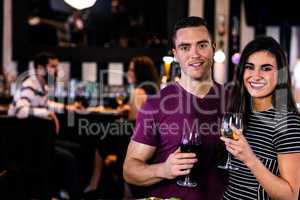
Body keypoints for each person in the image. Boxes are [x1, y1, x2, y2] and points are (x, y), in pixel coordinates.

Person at [123, 16, 228, 199]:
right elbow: (129, 170)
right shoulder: (156, 104)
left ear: (213, 48)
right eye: (185, 47)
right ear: (175, 55)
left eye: (202, 45)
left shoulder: (233, 99)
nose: (195, 54)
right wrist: (163, 169)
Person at [222, 36, 300, 199]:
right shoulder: (242, 114)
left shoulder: (286, 122)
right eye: (250, 67)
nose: (255, 76)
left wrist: (250, 159)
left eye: (266, 68)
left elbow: (291, 195)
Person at [122, 55, 160, 120]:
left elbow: (133, 121)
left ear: (141, 73)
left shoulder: (138, 92)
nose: (128, 73)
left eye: (132, 70)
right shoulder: (154, 90)